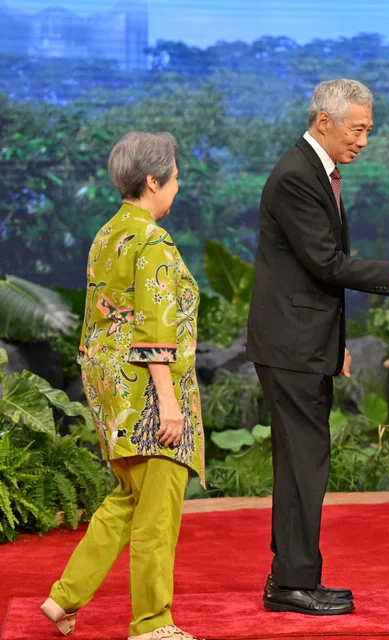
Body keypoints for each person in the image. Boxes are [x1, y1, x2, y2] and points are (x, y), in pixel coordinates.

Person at [246, 78, 389, 616]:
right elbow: (326, 263)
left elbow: (315, 274)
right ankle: (293, 582)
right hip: (290, 345)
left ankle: (293, 577)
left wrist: (336, 342)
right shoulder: (298, 176)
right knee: (302, 461)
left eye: (368, 129)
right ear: (326, 121)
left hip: (305, 341)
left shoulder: (315, 171)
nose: (364, 140)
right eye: (358, 129)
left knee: (304, 459)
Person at [40, 131, 204, 640]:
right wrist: (170, 403)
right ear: (153, 180)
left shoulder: (108, 234)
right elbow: (155, 326)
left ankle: (63, 598)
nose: (178, 186)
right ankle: (152, 625)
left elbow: (96, 327)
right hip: (151, 394)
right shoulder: (152, 239)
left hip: (115, 394)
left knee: (126, 502)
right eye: (174, 178)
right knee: (156, 514)